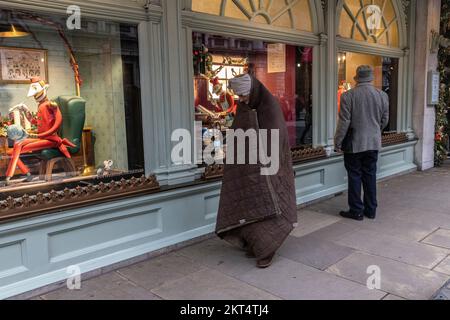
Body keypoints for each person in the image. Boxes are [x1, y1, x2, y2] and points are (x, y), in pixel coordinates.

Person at [215, 73, 298, 268]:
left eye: (243, 95)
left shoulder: (270, 107)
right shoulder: (246, 107)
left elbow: (275, 141)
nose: (241, 100)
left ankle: (267, 250)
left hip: (269, 166)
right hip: (249, 167)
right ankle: (255, 244)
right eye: (239, 96)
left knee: (270, 205)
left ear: (253, 91)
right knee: (251, 205)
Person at [334, 65, 390, 221]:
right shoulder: (382, 96)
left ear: (357, 78)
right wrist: (373, 130)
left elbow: (344, 122)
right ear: (371, 78)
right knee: (370, 175)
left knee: (354, 176)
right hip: (373, 142)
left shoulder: (348, 96)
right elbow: (384, 120)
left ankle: (356, 210)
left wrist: (337, 142)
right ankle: (371, 210)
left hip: (354, 143)